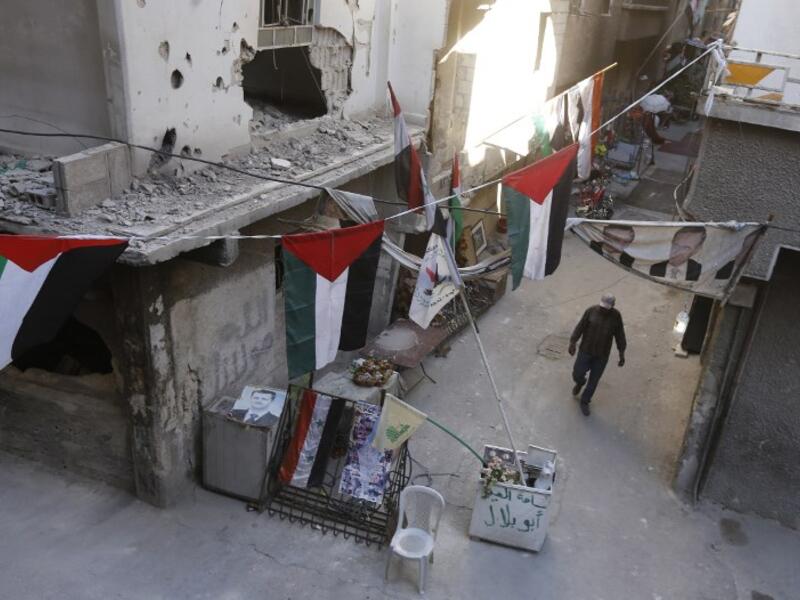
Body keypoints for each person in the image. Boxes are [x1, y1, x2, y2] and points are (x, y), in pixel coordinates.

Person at [568, 293, 626, 416]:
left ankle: (585, 401)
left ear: (613, 306)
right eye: (602, 306)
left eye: (606, 307)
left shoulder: (616, 317)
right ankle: (579, 382)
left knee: (594, 381)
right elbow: (580, 327)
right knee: (577, 373)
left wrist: (622, 353)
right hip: (585, 351)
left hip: (602, 355)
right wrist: (572, 342)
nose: (603, 309)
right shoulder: (591, 311)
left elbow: (620, 335)